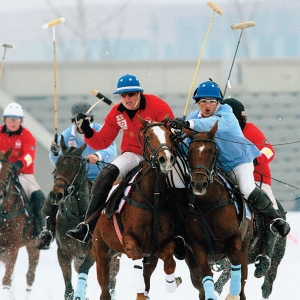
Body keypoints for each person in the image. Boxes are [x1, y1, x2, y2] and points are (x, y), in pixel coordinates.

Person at [66, 74, 187, 259]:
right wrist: (88, 130)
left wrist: (176, 127)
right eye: (123, 96)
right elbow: (103, 141)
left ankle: (182, 233)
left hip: (159, 155)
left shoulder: (158, 105)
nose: (127, 99)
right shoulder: (116, 113)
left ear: (139, 93)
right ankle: (88, 225)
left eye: (131, 94)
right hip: (133, 154)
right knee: (106, 173)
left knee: (182, 181)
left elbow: (169, 131)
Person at [176, 79, 290, 239]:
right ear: (197, 103)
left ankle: (275, 220)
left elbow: (211, 124)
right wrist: (176, 135)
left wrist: (187, 123)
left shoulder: (227, 113)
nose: (207, 105)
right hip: (217, 167)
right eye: (203, 101)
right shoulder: (194, 117)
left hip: (239, 163)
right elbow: (190, 143)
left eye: (211, 101)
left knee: (247, 189)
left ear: (219, 103)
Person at [35, 101, 117, 250]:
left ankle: (115, 232)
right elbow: (58, 161)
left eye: (86, 120)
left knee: (115, 199)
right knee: (52, 198)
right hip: (74, 180)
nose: (82, 123)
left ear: (90, 120)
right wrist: (54, 153)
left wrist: (98, 155)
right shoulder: (66, 135)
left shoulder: (100, 130)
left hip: (97, 176)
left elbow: (112, 150)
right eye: (79, 120)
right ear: (74, 121)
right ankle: (48, 230)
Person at [222, 97, 282, 275]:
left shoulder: (251, 130)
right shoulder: (221, 132)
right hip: (230, 178)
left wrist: (256, 159)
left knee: (272, 211)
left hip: (257, 179)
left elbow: (269, 150)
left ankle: (266, 255)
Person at [0, 102, 47, 247]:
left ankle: (41, 232)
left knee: (38, 196)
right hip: (1, 173)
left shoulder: (27, 135)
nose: (12, 122)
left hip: (22, 174)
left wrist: (18, 164)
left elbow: (29, 155)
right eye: (10, 119)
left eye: (16, 119)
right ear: (4, 120)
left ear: (21, 120)